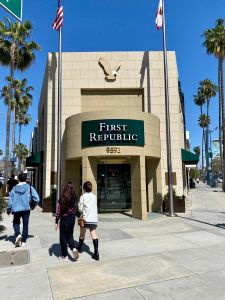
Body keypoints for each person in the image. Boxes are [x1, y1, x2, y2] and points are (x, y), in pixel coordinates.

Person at [7, 172, 40, 247]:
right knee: (25, 225)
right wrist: (34, 205)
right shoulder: (29, 187)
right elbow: (37, 198)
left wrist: (9, 208)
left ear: (19, 179)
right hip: (26, 209)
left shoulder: (14, 188)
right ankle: (24, 241)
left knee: (16, 223)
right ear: (26, 179)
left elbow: (10, 200)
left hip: (16, 209)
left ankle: (18, 234)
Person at [55, 182, 79, 262]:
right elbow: (76, 209)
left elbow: (58, 211)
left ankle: (64, 256)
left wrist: (56, 221)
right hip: (72, 218)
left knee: (63, 238)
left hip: (64, 219)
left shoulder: (62, 198)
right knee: (70, 235)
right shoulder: (74, 198)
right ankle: (74, 248)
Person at [77, 181, 99, 260]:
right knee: (94, 234)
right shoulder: (94, 196)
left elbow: (79, 208)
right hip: (93, 219)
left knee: (82, 233)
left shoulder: (83, 196)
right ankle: (96, 253)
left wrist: (82, 210)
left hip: (84, 219)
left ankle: (79, 248)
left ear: (84, 188)